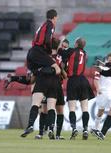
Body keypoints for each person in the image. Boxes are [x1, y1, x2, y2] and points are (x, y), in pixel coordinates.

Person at [20, 9, 62, 139]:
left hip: (33, 57)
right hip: (52, 81)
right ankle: (50, 129)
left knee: (35, 102)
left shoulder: (43, 25)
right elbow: (47, 40)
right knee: (57, 69)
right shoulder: (50, 25)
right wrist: (48, 52)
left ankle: (30, 125)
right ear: (55, 17)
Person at [61, 37, 95, 140]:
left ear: (76, 44)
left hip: (73, 81)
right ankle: (85, 129)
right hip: (83, 80)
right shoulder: (84, 53)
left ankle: (74, 128)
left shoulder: (71, 51)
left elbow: (62, 58)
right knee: (85, 108)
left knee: (72, 108)